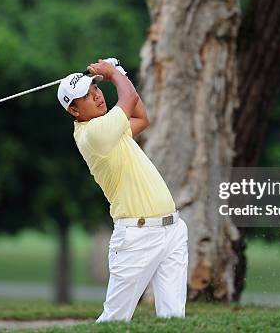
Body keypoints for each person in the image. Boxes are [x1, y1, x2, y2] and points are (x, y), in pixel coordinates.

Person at [57, 59, 188, 322]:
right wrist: (113, 73)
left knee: (173, 319)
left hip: (172, 230)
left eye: (96, 88)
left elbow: (141, 117)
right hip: (136, 237)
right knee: (114, 320)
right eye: (86, 95)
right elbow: (128, 98)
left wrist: (120, 74)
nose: (96, 95)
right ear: (73, 109)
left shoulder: (111, 129)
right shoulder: (95, 134)